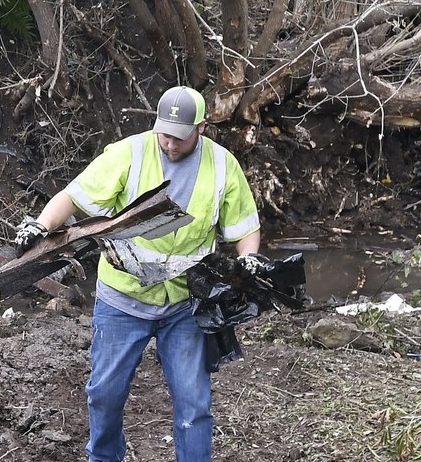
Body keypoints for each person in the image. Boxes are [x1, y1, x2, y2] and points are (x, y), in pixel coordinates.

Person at [23, 86, 261, 462]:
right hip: (123, 298)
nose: (169, 144)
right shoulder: (129, 153)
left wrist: (249, 260)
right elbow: (74, 195)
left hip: (184, 302)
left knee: (193, 401)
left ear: (200, 128)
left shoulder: (222, 165)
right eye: (164, 134)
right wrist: (39, 225)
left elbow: (244, 227)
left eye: (179, 138)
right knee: (104, 393)